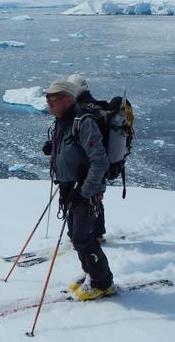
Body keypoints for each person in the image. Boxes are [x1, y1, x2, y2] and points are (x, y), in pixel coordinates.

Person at [41, 78, 114, 301]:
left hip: (84, 193)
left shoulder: (83, 122)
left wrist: (84, 192)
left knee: (83, 237)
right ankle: (90, 274)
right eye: (47, 98)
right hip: (70, 190)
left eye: (53, 98)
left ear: (68, 99)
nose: (48, 103)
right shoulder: (64, 122)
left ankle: (103, 283)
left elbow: (99, 161)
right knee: (76, 236)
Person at [65, 74, 107, 240]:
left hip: (87, 164)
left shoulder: (82, 112)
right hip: (96, 165)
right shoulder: (96, 108)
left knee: (79, 199)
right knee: (95, 198)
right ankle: (97, 233)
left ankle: (80, 235)